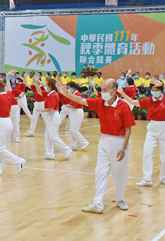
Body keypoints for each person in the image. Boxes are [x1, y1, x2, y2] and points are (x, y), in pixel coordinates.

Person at [57, 79, 134, 214]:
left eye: (104, 90)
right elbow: (82, 101)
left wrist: (123, 148)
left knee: (119, 174)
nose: (101, 92)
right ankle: (97, 203)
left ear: (114, 91)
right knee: (100, 172)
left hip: (120, 141)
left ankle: (120, 199)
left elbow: (128, 129)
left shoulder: (124, 106)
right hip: (104, 140)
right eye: (101, 89)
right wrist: (67, 94)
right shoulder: (100, 102)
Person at [118, 78, 165, 187]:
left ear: (161, 90)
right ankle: (147, 179)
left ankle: (164, 177)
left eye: (157, 89)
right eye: (153, 89)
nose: (155, 91)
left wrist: (164, 84)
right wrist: (122, 94)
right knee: (147, 154)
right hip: (152, 129)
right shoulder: (149, 100)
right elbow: (132, 102)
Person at [36, 76, 72, 160]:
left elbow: (50, 109)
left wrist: (42, 110)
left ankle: (67, 149)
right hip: (50, 116)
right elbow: (38, 91)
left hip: (53, 115)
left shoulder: (53, 95)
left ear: (50, 86)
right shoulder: (49, 94)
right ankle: (49, 154)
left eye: (47, 84)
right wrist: (37, 82)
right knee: (47, 136)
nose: (45, 86)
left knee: (53, 137)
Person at [59, 81, 89, 151]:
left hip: (77, 112)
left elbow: (73, 105)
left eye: (68, 88)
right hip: (73, 112)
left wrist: (66, 106)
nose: (68, 89)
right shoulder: (72, 94)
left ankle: (84, 142)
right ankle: (73, 145)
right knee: (71, 130)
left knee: (74, 130)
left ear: (72, 88)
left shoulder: (77, 94)